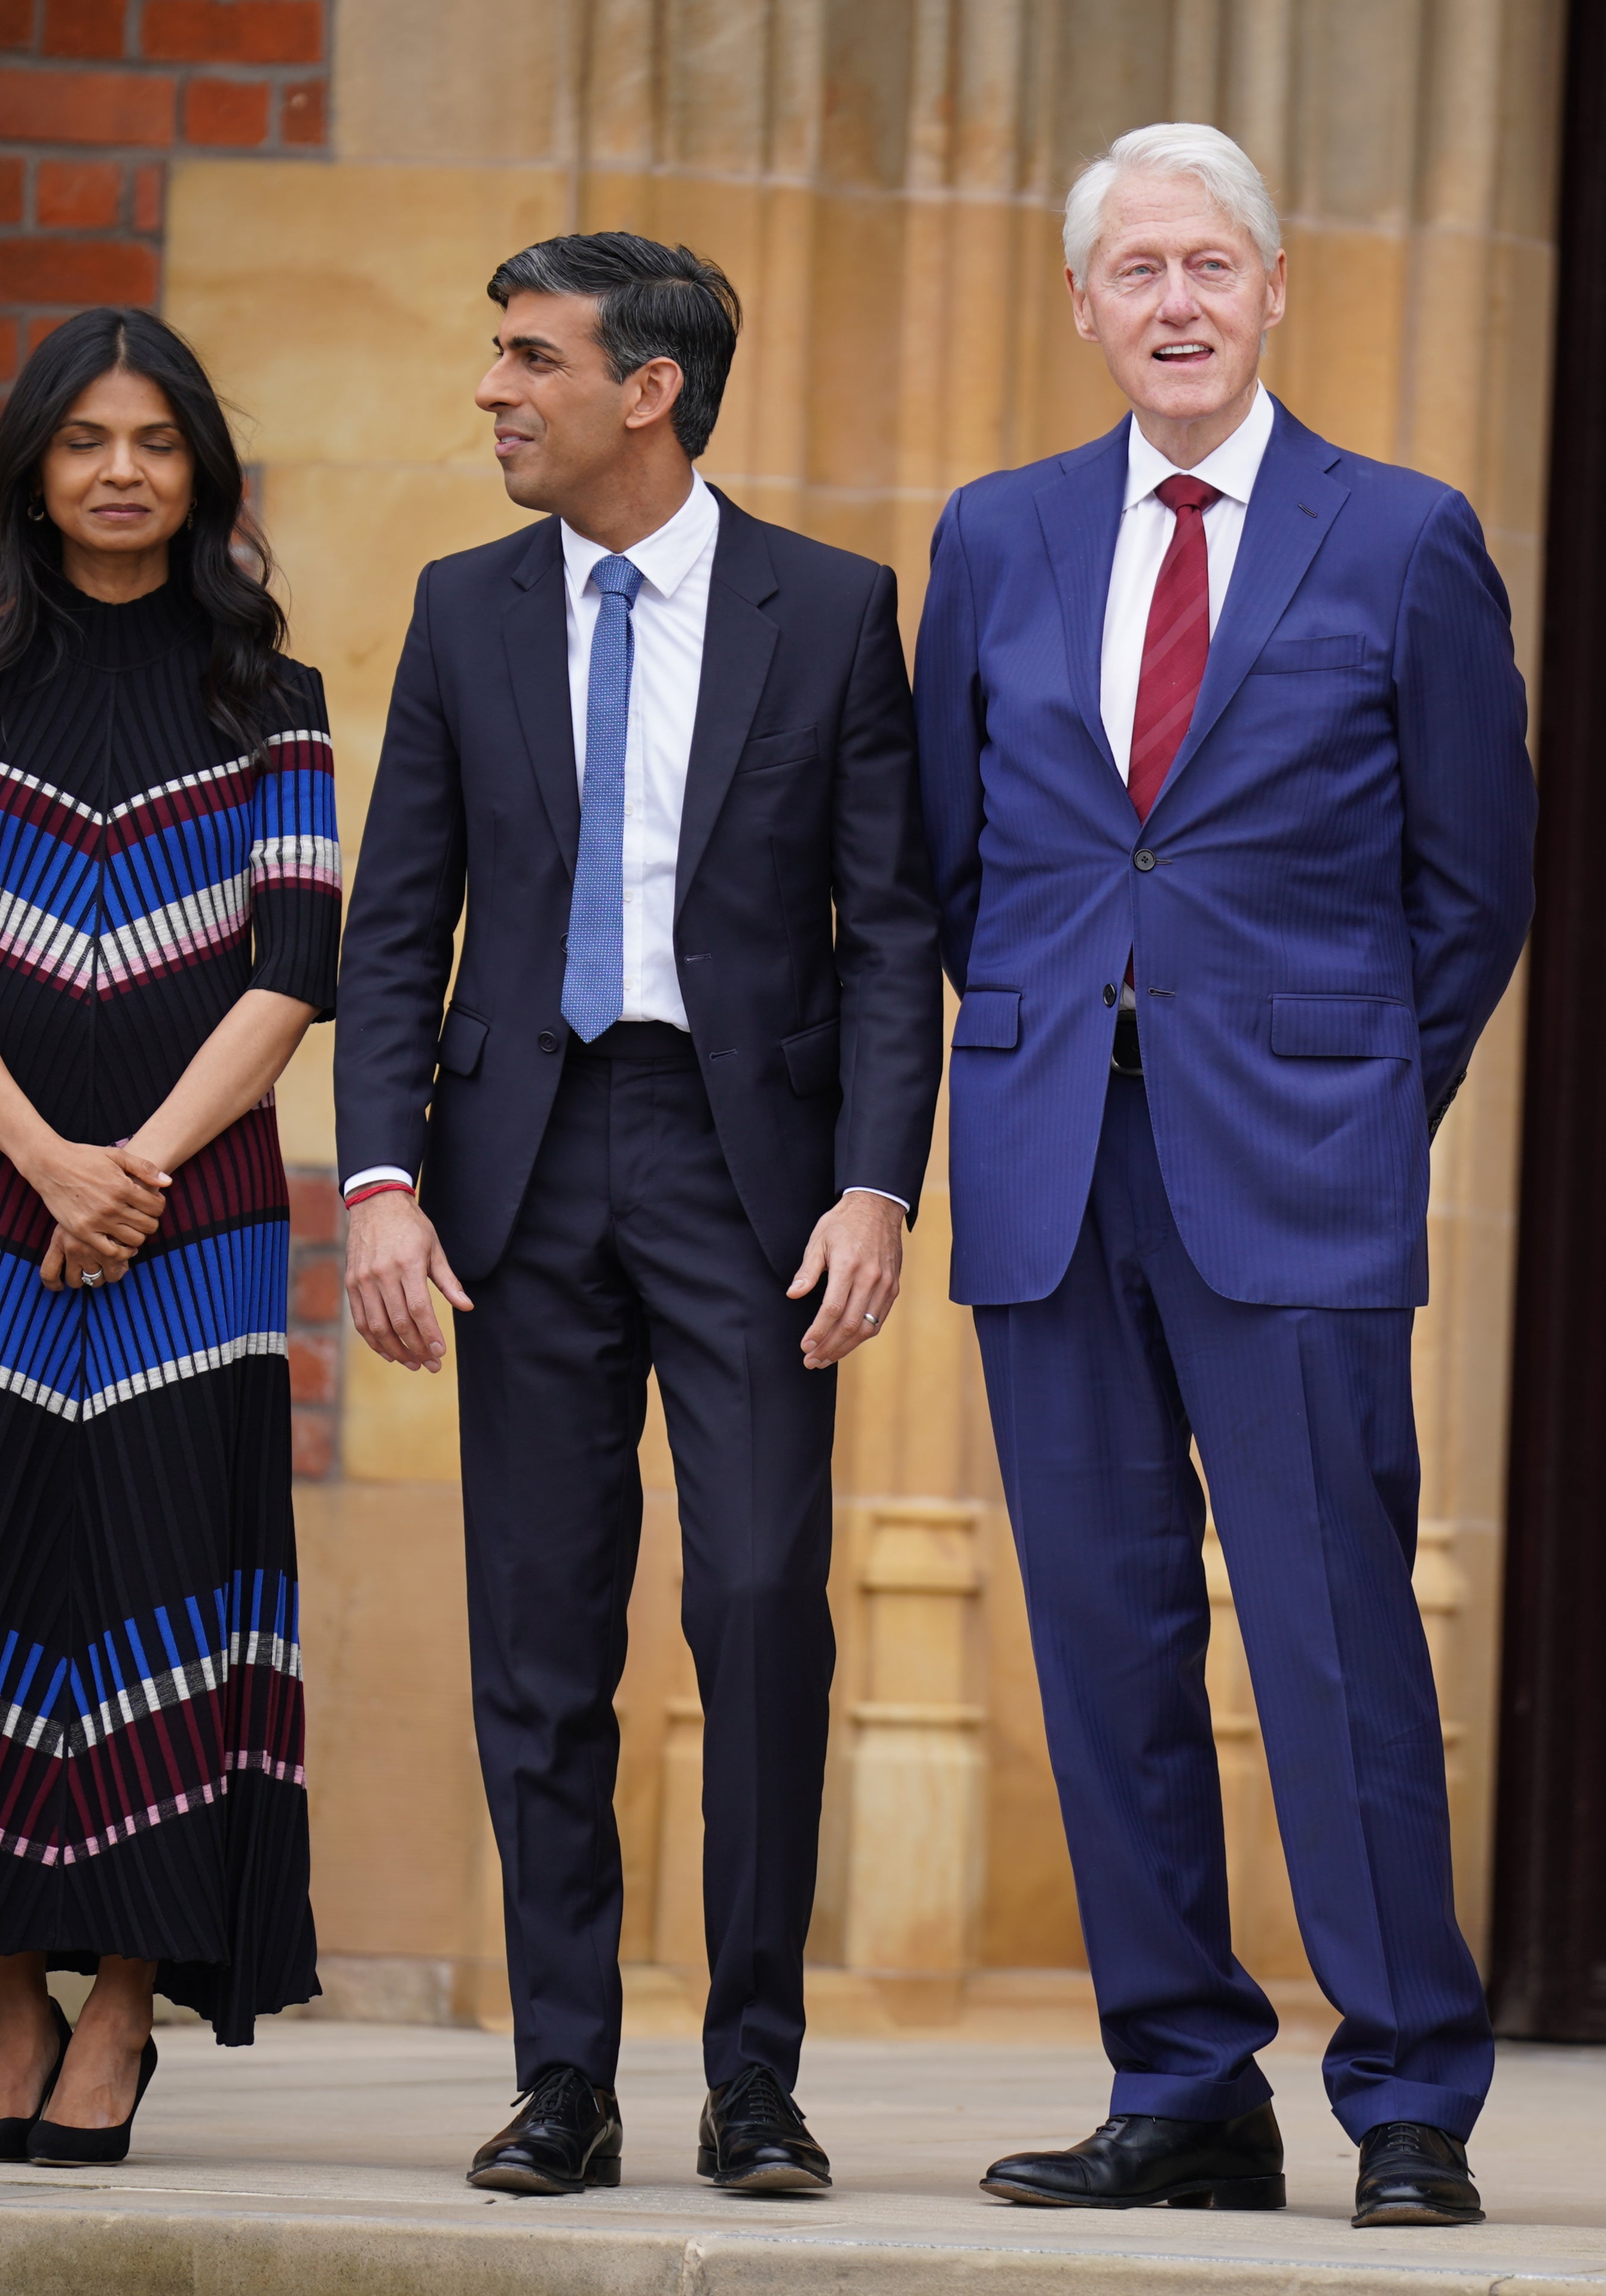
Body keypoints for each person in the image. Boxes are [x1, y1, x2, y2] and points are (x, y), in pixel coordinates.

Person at [914, 123, 1534, 2230]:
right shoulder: (995, 538)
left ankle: (1409, 2095)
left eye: (1211, 264)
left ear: (1275, 293)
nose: (1175, 301)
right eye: (1136, 270)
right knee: (1100, 1637)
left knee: (1336, 1631)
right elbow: (953, 864)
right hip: (1048, 1162)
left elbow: (1475, 886)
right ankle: (1180, 2080)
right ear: (1084, 308)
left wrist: (1355, 1098)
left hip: (1297, 1167)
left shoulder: (1404, 537)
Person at [335, 234, 941, 2198]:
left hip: (743, 1166)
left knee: (761, 1605)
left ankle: (752, 2081)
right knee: (539, 1633)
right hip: (517, 1165)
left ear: (649, 388)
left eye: (532, 360)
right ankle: (565, 2078)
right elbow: (393, 927)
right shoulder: (463, 610)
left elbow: (890, 929)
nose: (497, 392)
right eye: (495, 356)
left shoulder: (832, 609)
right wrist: (377, 1182)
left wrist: (874, 1183)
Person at [0, 307, 337, 2166]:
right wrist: (47, 1161)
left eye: (158, 440)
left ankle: (126, 2002)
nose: (123, 469)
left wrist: (142, 1169)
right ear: (34, 465)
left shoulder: (275, 698)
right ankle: (14, 1999)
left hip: (195, 1231)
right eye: (87, 438)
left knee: (161, 1577)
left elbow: (294, 969)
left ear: (201, 468)